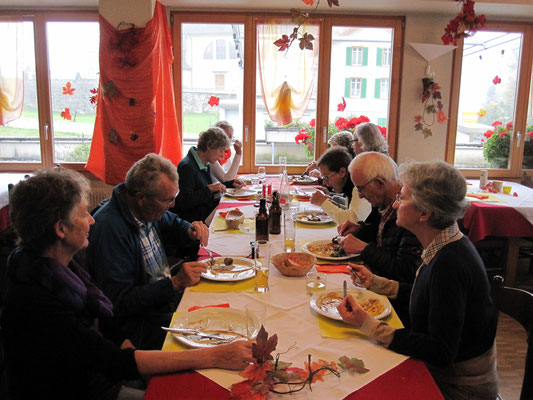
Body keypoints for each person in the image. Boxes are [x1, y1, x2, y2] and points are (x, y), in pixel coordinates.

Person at [2, 168, 254, 400]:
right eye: (83, 213)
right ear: (60, 229)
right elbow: (111, 360)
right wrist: (213, 355)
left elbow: (108, 324)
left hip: (102, 374)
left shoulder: (60, 265)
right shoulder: (36, 298)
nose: (91, 220)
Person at [337, 161, 498, 400]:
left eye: (401, 197)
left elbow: (439, 351)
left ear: (424, 213)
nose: (395, 204)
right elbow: (429, 296)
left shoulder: (450, 264)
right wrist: (377, 282)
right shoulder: (445, 243)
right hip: (447, 371)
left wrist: (368, 324)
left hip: (456, 387)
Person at [87, 153, 210, 350]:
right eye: (167, 200)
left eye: (174, 198)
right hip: (139, 324)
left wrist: (189, 229)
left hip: (161, 302)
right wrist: (175, 283)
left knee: (215, 304)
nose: (173, 205)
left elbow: (172, 221)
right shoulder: (110, 230)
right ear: (141, 198)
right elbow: (119, 302)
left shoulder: (146, 210)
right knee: (210, 335)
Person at [338, 152, 422, 283]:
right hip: (376, 278)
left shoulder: (410, 213)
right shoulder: (381, 202)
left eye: (360, 188)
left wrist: (364, 249)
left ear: (379, 183)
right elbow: (382, 236)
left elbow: (405, 271)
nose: (360, 195)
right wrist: (360, 229)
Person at [172, 127, 243, 224]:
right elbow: (183, 201)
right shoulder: (188, 167)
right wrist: (209, 189)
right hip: (195, 222)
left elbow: (206, 189)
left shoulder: (204, 163)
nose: (222, 155)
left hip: (206, 214)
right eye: (221, 150)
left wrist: (231, 183)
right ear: (209, 146)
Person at [309, 147, 371, 225]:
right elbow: (353, 211)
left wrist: (324, 203)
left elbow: (354, 221)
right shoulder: (349, 184)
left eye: (326, 177)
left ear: (342, 172)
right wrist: (337, 205)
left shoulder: (359, 186)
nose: (324, 183)